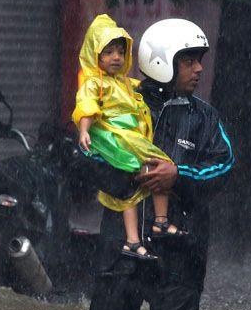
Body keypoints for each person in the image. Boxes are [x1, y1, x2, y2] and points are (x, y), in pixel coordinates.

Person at [68, 18, 234, 310]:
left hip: (181, 260)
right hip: (121, 256)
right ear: (162, 61)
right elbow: (84, 156)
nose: (199, 68)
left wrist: (179, 176)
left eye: (199, 60)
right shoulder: (117, 100)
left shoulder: (206, 119)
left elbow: (224, 168)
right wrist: (129, 174)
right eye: (189, 60)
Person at [73, 14, 187, 262]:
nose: (116, 58)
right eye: (109, 52)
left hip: (130, 137)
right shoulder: (95, 85)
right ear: (96, 55)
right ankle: (157, 223)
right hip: (116, 137)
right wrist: (84, 131)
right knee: (158, 163)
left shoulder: (125, 83)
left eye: (120, 52)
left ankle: (137, 238)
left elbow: (145, 88)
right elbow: (87, 107)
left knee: (132, 187)